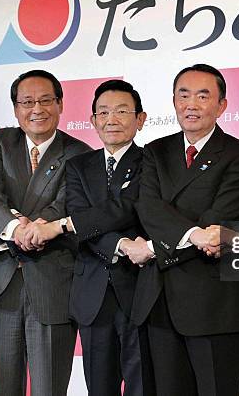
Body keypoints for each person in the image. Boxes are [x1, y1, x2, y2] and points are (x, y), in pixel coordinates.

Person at [131, 64, 239, 396]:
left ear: (222, 105)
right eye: (183, 95)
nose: (191, 104)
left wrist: (159, 246)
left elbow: (219, 218)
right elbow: (148, 208)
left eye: (203, 96)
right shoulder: (155, 151)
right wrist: (194, 235)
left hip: (214, 303)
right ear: (173, 102)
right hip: (159, 301)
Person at [22, 79, 155, 395]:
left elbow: (127, 208)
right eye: (104, 112)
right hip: (91, 293)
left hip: (139, 290)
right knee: (99, 386)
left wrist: (64, 225)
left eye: (122, 111)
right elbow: (81, 221)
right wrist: (120, 244)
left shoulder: (152, 161)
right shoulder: (79, 165)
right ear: (93, 120)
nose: (112, 119)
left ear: (140, 118)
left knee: (142, 384)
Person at [0, 69, 91, 396]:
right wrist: (14, 228)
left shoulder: (79, 153)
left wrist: (35, 229)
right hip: (2, 281)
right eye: (27, 102)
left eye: (45, 100)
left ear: (60, 104)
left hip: (53, 282)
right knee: (4, 386)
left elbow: (67, 203)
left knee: (49, 387)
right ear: (16, 108)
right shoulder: (0, 142)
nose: (37, 109)